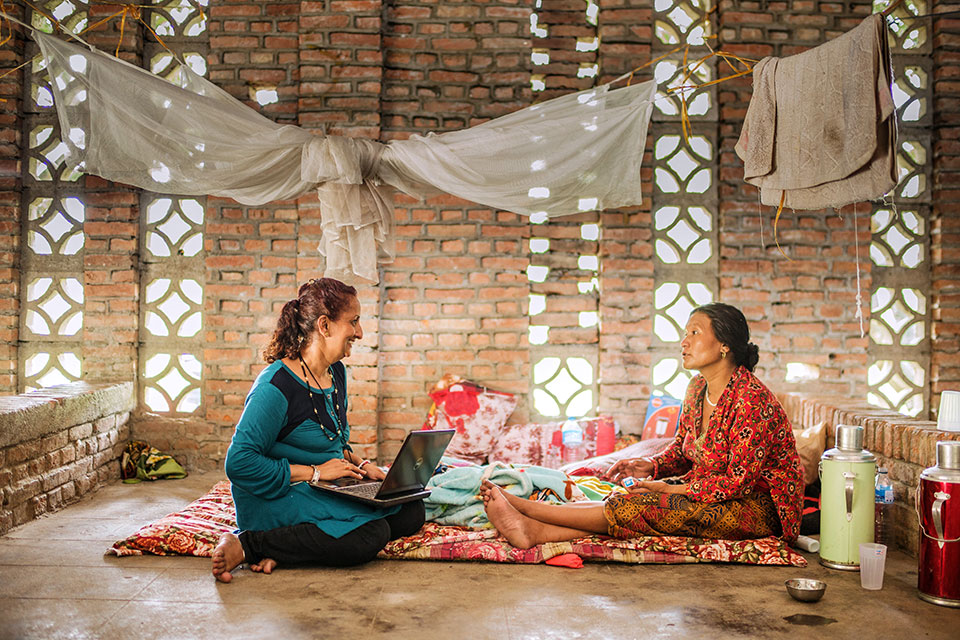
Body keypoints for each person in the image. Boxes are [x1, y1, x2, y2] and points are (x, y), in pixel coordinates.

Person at [480, 302, 804, 548]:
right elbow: (681, 449)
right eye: (685, 333)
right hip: (709, 490)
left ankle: (527, 510)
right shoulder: (696, 389)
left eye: (694, 332)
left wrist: (671, 489)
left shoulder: (752, 401)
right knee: (632, 495)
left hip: (758, 506)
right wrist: (649, 467)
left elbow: (737, 483)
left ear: (725, 345)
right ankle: (535, 531)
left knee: (654, 504)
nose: (684, 342)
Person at [212, 278, 424, 582]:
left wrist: (361, 466)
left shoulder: (336, 372)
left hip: (325, 485)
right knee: (369, 535)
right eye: (353, 322)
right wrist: (315, 472)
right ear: (324, 326)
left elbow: (334, 438)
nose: (360, 333)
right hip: (280, 494)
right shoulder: (275, 387)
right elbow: (239, 463)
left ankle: (290, 547)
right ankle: (250, 544)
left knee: (411, 509)